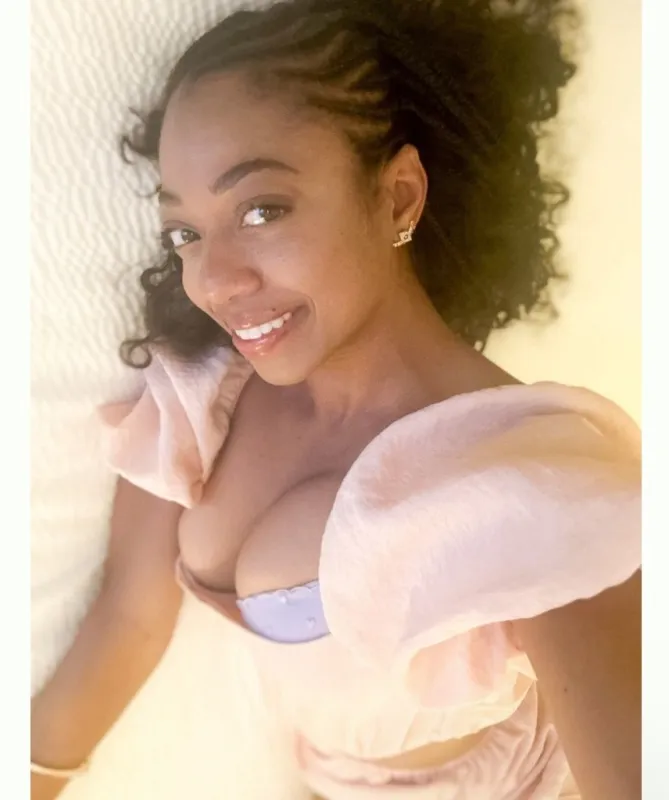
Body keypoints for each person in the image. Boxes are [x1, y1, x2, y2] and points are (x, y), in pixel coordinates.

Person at [30, 1, 641, 798]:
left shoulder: (534, 483)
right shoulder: (204, 393)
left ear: (398, 197)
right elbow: (127, 619)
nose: (214, 280)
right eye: (185, 233)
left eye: (261, 210)